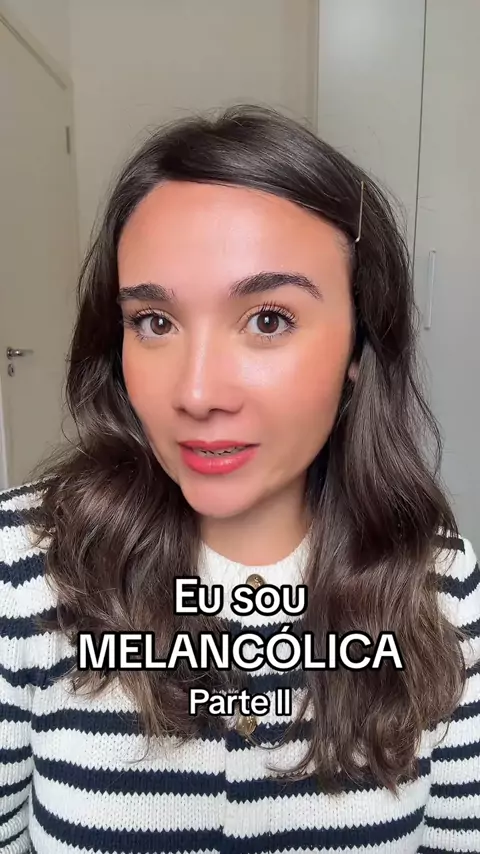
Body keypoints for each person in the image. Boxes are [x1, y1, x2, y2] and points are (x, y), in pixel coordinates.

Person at [0, 105, 479, 854]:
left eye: (268, 319)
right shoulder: (22, 565)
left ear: (360, 347)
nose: (197, 394)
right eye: (154, 322)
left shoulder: (437, 583)